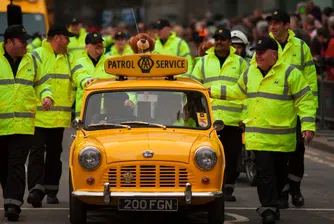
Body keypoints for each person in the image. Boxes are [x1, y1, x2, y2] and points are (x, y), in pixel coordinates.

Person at [209, 35, 316, 224]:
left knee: (280, 175)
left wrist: (308, 125)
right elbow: (237, 92)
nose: (257, 56)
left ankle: (275, 201)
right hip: (258, 138)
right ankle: (268, 209)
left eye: (261, 53)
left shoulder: (291, 74)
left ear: (274, 54)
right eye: (256, 53)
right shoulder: (250, 73)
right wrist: (212, 90)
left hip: (282, 141)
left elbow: (305, 100)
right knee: (264, 175)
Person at [26, 24, 94, 208]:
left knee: (55, 156)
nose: (69, 41)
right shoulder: (36, 55)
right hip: (38, 117)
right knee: (37, 155)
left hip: (58, 119)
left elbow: (79, 72)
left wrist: (85, 80)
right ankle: (35, 190)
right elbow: (29, 80)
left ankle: (51, 191)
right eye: (66, 38)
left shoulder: (70, 58)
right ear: (57, 37)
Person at [259, 9, 318, 208]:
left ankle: (295, 187)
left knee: (296, 152)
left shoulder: (301, 48)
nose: (273, 27)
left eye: (277, 23)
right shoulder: (265, 45)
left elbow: (310, 80)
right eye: (271, 23)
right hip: (274, 110)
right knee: (278, 154)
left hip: (296, 110)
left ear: (287, 25)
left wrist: (310, 113)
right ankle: (282, 192)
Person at [0, 24, 53, 221]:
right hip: (1, 127)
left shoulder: (32, 60)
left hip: (23, 126)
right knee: (3, 167)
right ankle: (10, 198)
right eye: (22, 42)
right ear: (9, 42)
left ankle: (12, 204)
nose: (26, 45)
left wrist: (47, 96)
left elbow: (44, 83)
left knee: (16, 164)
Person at [191, 27, 248, 201]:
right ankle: (213, 187)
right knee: (210, 156)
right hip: (210, 121)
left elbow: (248, 91)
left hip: (232, 120)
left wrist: (245, 118)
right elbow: (193, 88)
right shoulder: (203, 62)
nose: (219, 42)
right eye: (216, 39)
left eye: (222, 39)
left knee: (231, 156)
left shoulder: (240, 63)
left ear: (230, 42)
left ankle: (228, 189)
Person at [73, 32, 136, 118]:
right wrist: (87, 80)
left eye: (100, 42)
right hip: (85, 112)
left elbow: (124, 82)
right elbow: (78, 76)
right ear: (87, 47)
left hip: (109, 111)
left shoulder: (111, 62)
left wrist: (130, 99)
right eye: (95, 43)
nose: (99, 45)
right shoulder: (79, 62)